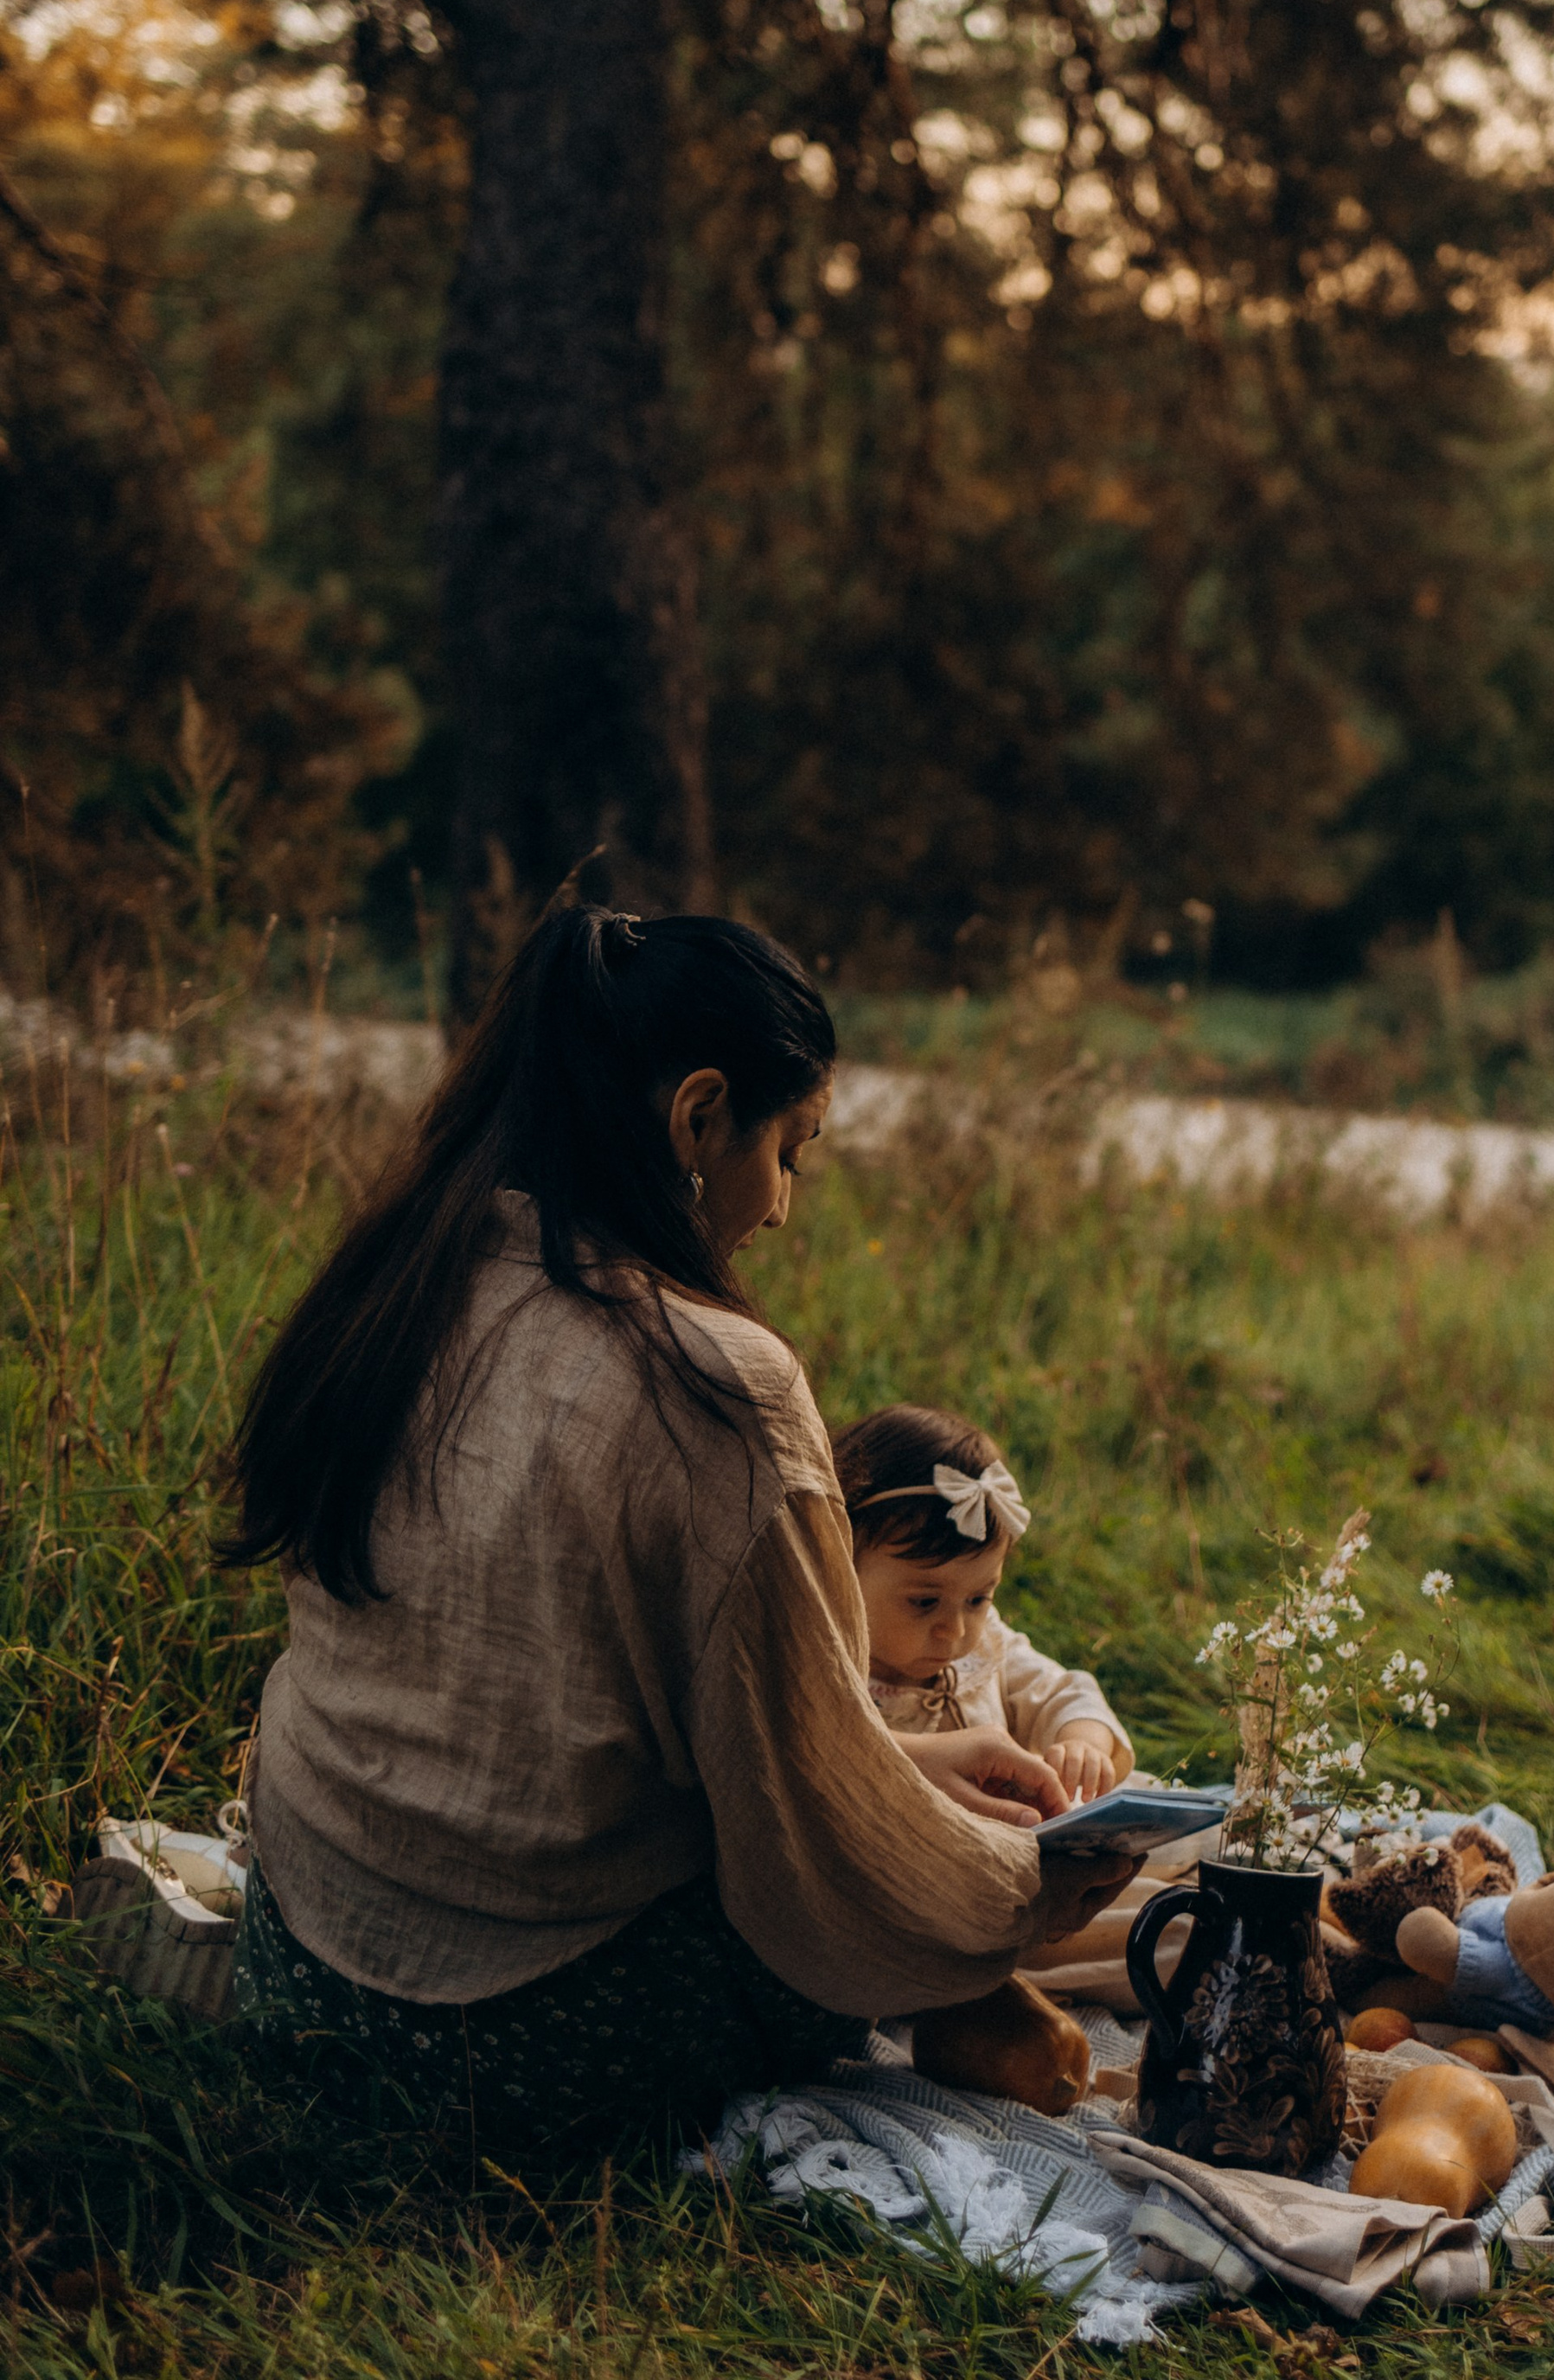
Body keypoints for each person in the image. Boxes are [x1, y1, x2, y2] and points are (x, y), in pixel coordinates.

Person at [223, 907, 1134, 2150]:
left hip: (301, 1952)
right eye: (792, 1151)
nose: (783, 1207)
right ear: (700, 1117)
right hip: (515, 2035)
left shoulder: (399, 1276)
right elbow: (812, 1840)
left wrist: (909, 1768)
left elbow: (582, 1720)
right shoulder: (711, 1384)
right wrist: (1025, 1894)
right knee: (859, 1937)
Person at [834, 1406, 1135, 1807]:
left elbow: (1062, 1692)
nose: (955, 1629)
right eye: (925, 1601)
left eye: (978, 1598)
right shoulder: (835, 1669)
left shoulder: (987, 1649)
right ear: (842, 1564)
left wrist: (1082, 1743)